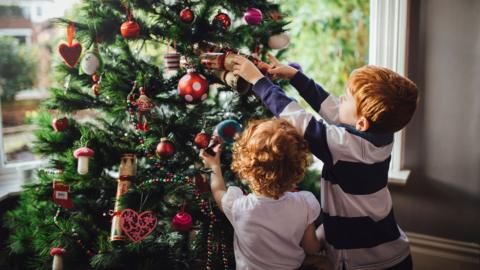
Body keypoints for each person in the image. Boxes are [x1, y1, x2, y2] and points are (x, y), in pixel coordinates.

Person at [230, 54, 418, 270]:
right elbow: (333, 109)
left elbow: (299, 120)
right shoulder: (380, 135)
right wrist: (295, 77)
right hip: (392, 250)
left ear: (362, 123)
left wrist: (258, 82)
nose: (340, 98)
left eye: (346, 98)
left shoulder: (345, 147)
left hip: (367, 261)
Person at [200, 118, 321, 270]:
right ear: (296, 168)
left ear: (245, 167)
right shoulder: (304, 203)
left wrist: (214, 165)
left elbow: (218, 190)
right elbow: (311, 248)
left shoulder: (239, 207)